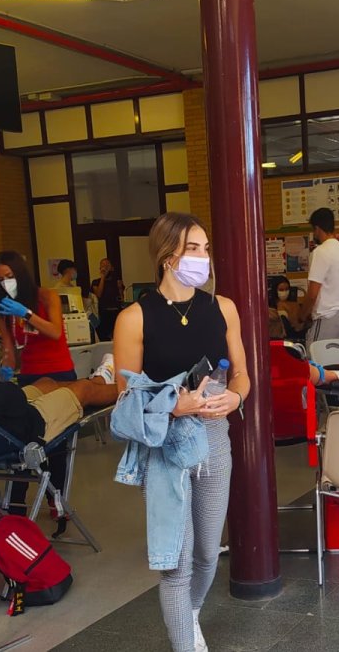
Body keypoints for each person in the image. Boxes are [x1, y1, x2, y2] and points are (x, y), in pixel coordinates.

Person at [113, 212, 249, 652]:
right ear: (167, 255)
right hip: (165, 450)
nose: (203, 258)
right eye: (194, 249)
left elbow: (243, 375)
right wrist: (177, 405)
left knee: (209, 553)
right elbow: (125, 398)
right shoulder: (135, 317)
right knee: (176, 563)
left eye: (206, 249)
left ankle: (187, 619)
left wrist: (236, 399)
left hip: (214, 439)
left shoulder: (221, 307)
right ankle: (185, 642)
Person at [0, 250, 77, 385]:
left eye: (10, 277)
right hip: (29, 373)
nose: (6, 283)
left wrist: (26, 314)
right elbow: (9, 348)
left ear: (20, 275)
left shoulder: (47, 296)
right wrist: (6, 367)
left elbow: (55, 332)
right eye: (1, 280)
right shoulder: (6, 308)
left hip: (58, 371)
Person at [303, 207, 339, 346]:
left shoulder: (321, 251)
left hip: (328, 317)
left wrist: (301, 316)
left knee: (315, 364)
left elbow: (313, 294)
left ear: (317, 229)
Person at [91, 257, 125, 340]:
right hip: (103, 314)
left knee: (118, 337)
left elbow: (121, 298)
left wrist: (120, 288)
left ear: (112, 268)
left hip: (116, 312)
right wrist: (102, 277)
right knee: (104, 337)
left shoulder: (116, 281)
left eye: (107, 265)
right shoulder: (96, 282)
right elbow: (98, 294)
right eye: (103, 265)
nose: (105, 267)